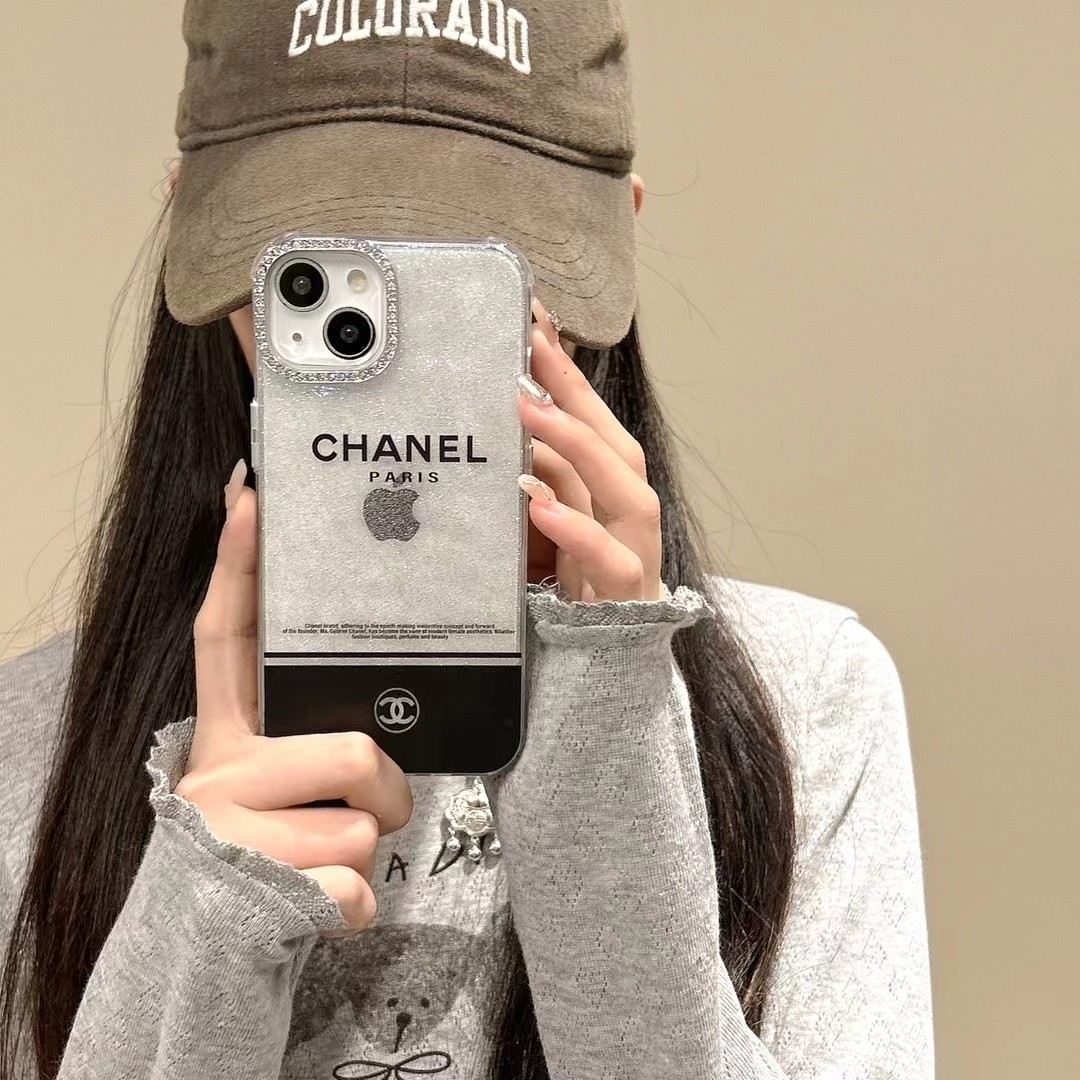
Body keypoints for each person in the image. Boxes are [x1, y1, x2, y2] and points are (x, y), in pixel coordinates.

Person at [0, 1, 934, 1078]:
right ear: (194, 243)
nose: (407, 356)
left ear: (616, 244)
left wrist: (608, 736)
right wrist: (203, 922)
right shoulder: (34, 743)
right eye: (328, 276)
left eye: (468, 279)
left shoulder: (811, 705)